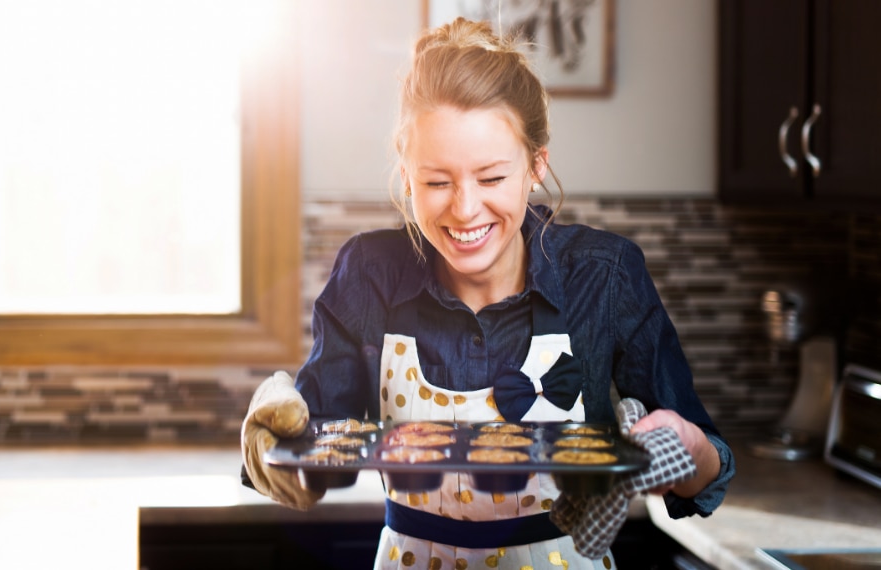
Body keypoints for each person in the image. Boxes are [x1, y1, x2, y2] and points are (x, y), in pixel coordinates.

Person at [242, 17, 734, 569]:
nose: (465, 207)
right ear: (406, 175)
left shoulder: (605, 275)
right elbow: (318, 452)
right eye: (436, 181)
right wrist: (274, 436)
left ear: (535, 165)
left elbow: (707, 471)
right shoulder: (369, 274)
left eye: (492, 178)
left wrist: (682, 447)